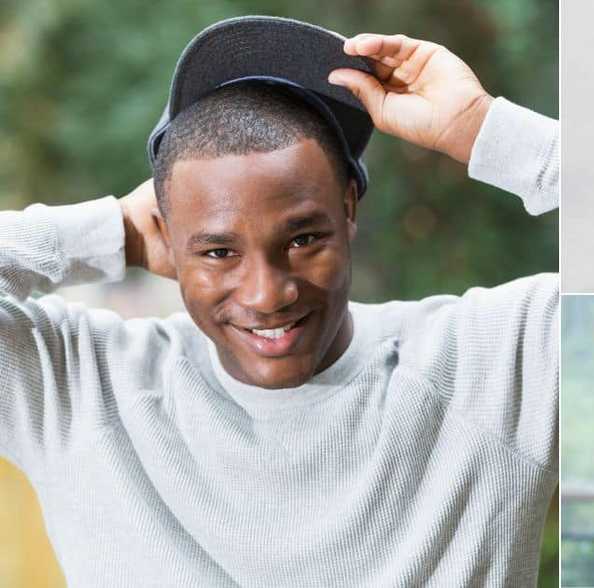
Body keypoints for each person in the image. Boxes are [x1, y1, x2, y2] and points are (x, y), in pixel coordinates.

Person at [0, 16, 557, 587]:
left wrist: (482, 128)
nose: (268, 295)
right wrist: (109, 229)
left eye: (302, 239)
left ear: (349, 211)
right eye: (218, 251)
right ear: (165, 237)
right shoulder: (80, 390)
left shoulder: (490, 366)